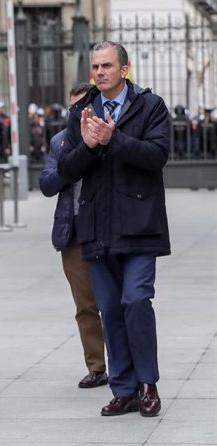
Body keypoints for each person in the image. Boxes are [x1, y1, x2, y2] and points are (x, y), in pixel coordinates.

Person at [58, 41, 171, 418]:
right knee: (109, 307)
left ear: (125, 69)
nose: (100, 72)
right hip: (96, 225)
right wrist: (88, 146)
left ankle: (147, 384)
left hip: (140, 224)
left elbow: (158, 156)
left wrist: (113, 139)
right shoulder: (80, 112)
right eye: (95, 66)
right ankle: (123, 388)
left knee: (135, 301)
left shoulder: (150, 106)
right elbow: (65, 171)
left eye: (107, 65)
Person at [39, 83, 108, 389]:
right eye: (73, 108)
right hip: (74, 231)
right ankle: (97, 366)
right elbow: (46, 183)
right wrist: (74, 161)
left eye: (83, 106)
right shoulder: (60, 142)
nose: (78, 112)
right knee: (85, 305)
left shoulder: (110, 135)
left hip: (108, 229)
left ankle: (125, 363)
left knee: (117, 301)